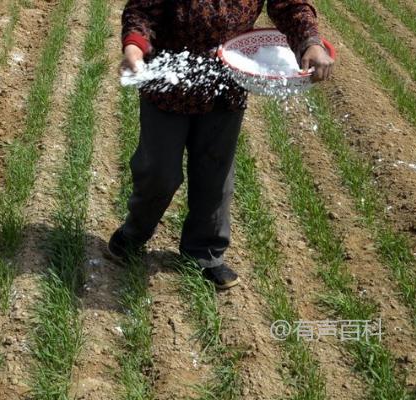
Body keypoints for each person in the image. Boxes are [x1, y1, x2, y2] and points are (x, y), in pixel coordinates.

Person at [108, 0, 334, 289]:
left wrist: (310, 42)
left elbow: (289, 6)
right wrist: (134, 49)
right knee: (158, 172)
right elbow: (141, 10)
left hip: (226, 87)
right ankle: (134, 232)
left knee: (215, 173)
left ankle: (205, 253)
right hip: (168, 87)